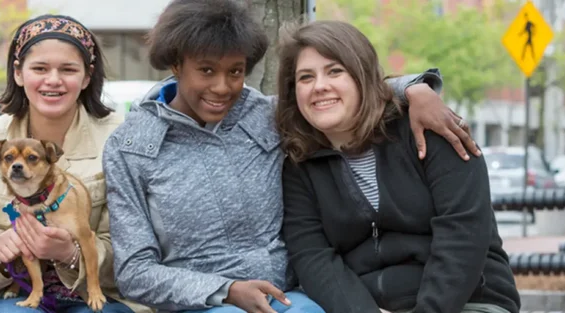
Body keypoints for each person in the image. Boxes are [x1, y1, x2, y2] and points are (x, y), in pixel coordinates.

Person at [102, 1, 480, 313]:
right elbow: (134, 272)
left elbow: (340, 92)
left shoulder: (266, 115)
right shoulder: (133, 147)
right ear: (175, 64)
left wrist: (416, 89)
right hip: (202, 305)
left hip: (293, 299)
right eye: (206, 71)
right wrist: (226, 290)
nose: (222, 87)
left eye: (235, 72)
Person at [275, 21, 520, 313]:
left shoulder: (432, 132)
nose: (320, 86)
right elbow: (313, 258)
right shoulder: (299, 166)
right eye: (305, 77)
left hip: (467, 302)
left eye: (335, 71)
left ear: (362, 76)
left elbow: (463, 233)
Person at [0, 14, 150, 313]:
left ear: (86, 76)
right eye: (40, 68)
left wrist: (72, 254)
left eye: (68, 69)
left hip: (103, 295)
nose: (53, 80)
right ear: (18, 73)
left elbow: (139, 250)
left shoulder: (123, 138)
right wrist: (1, 253)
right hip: (14, 296)